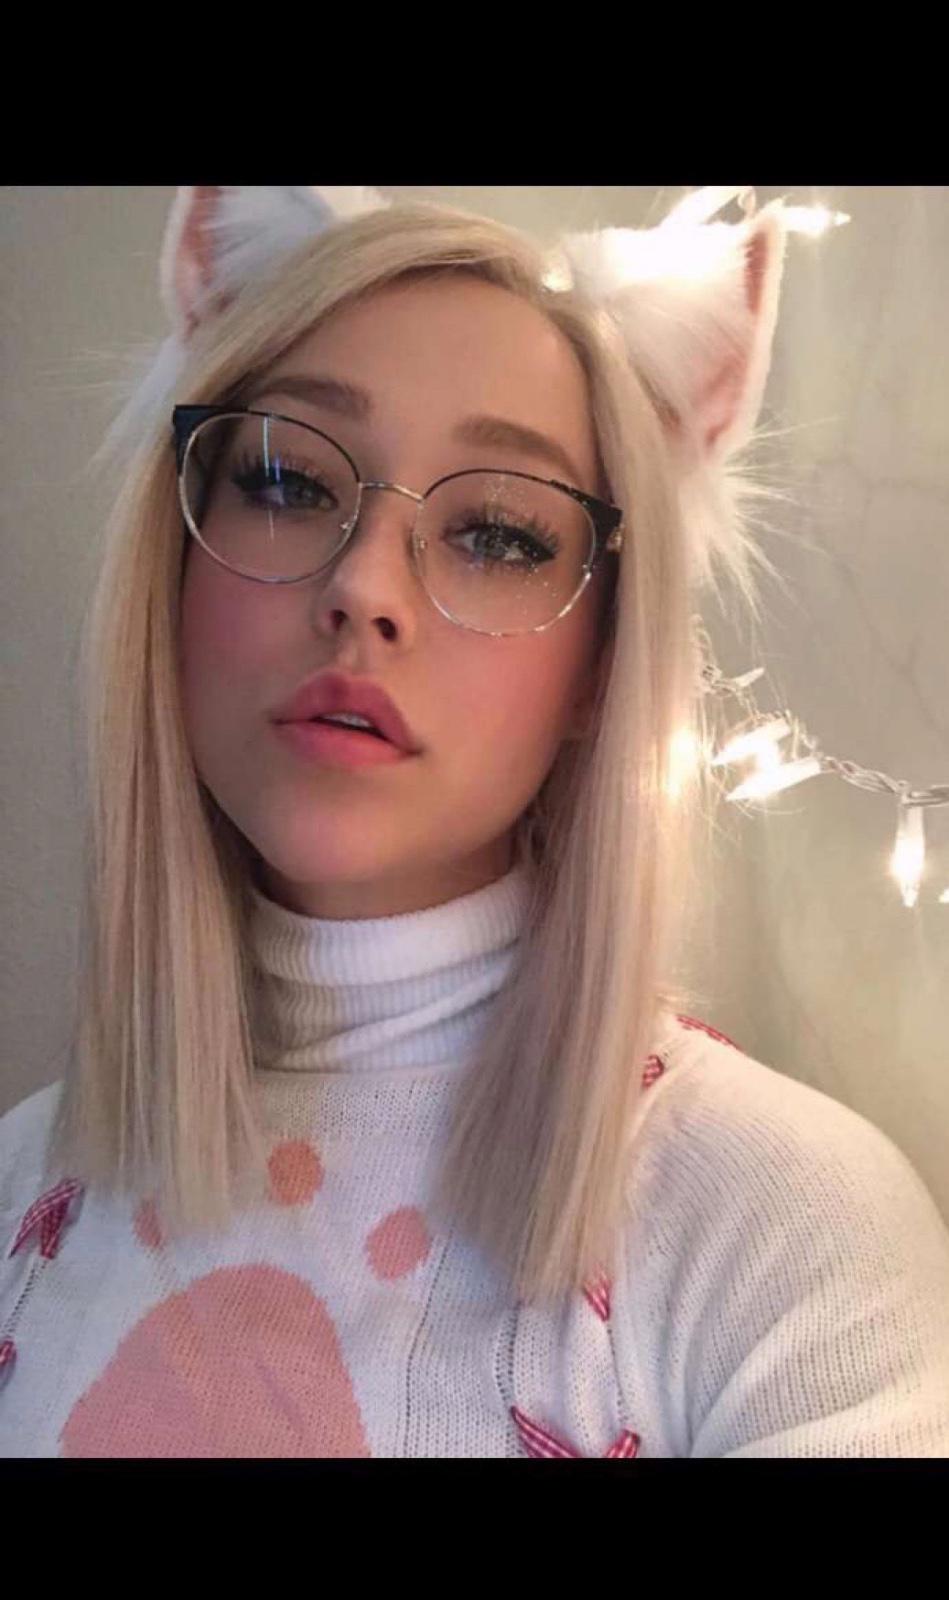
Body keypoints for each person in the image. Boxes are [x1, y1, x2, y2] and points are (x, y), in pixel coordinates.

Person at [2, 186, 948, 1459]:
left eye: (498, 533)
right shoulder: (24, 1191)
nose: (362, 587)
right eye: (285, 478)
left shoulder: (778, 1228)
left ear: (601, 663)